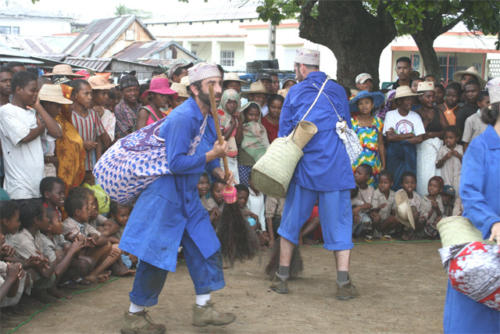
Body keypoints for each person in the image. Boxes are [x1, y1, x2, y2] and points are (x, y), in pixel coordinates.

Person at [118, 63, 236, 333]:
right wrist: (212, 157)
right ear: (194, 89)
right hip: (166, 197)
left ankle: (204, 307)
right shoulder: (183, 117)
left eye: (219, 83)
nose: (218, 89)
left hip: (188, 196)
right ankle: (134, 316)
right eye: (211, 84)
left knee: (206, 245)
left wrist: (219, 173)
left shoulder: (209, 116)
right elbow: (177, 163)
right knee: (156, 257)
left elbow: (206, 155)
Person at [271, 48, 357, 300]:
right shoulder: (338, 91)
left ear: (302, 67)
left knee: (290, 223)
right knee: (340, 226)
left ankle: (282, 278)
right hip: (335, 168)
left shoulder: (295, 92)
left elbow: (284, 132)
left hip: (304, 168)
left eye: (296, 67)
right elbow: (347, 126)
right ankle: (343, 283)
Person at [443, 77, 500, 333]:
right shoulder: (481, 147)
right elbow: (470, 193)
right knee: (474, 317)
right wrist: (493, 222)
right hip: (482, 245)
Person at [0, 71, 62, 200]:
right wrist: (40, 127)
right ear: (18, 89)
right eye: (32, 91)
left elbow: (57, 133)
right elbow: (25, 137)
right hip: (19, 187)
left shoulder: (33, 112)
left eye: (37, 91)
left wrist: (38, 107)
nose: (35, 95)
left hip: (37, 184)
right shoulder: (6, 111)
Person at [63, 187, 119, 284]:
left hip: (85, 254)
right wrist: (91, 239)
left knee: (108, 245)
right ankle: (80, 277)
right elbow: (79, 241)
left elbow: (100, 237)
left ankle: (92, 274)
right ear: (77, 212)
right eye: (88, 208)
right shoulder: (68, 224)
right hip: (76, 258)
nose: (91, 210)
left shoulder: (85, 224)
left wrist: (94, 236)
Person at [383, 86, 425, 190]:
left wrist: (398, 137)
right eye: (407, 99)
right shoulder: (391, 115)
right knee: (394, 177)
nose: (410, 102)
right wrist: (409, 135)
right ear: (399, 102)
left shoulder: (415, 116)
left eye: (411, 99)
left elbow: (419, 138)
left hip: (409, 151)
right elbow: (389, 137)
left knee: (409, 178)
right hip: (394, 152)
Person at [68, 79, 107, 175]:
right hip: (73, 167)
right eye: (86, 94)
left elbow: (98, 140)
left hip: (90, 166)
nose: (90, 97)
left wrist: (98, 164)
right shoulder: (68, 116)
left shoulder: (93, 115)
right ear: (75, 95)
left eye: (91, 94)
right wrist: (82, 145)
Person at [349, 90, 386, 185]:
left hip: (373, 163)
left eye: (367, 102)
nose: (364, 106)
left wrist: (383, 164)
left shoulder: (378, 122)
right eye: (360, 103)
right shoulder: (352, 122)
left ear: (372, 104)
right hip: (356, 163)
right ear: (357, 106)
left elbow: (380, 144)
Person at [415, 81, 445, 195]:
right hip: (423, 151)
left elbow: (446, 131)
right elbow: (419, 134)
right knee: (424, 175)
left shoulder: (438, 111)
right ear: (420, 97)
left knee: (437, 175)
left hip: (437, 150)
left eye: (433, 97)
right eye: (428, 97)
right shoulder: (416, 113)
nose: (431, 99)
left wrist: (432, 135)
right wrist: (427, 121)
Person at [38, 84, 73, 177]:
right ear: (46, 104)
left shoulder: (53, 121)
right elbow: (57, 133)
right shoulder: (37, 119)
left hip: (48, 168)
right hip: (39, 169)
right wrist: (49, 159)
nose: (59, 110)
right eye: (57, 106)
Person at [236, 102, 269, 187]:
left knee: (259, 188)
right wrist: (239, 124)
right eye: (250, 115)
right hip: (244, 164)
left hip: (258, 166)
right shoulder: (241, 128)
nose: (254, 118)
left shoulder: (262, 129)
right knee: (245, 189)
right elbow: (238, 141)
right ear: (244, 114)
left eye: (257, 115)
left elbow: (265, 146)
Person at [218, 88, 241, 184]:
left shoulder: (235, 117)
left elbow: (239, 140)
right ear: (223, 101)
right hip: (223, 157)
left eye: (234, 102)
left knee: (234, 184)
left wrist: (239, 120)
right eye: (229, 102)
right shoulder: (219, 115)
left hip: (233, 157)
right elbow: (221, 138)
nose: (232, 105)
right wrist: (232, 125)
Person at [88, 75, 117, 143]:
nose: (106, 96)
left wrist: (98, 120)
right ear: (93, 94)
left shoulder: (109, 115)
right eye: (103, 93)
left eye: (107, 93)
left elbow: (108, 142)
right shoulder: (82, 112)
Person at [370, 170, 398, 238]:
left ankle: (383, 231)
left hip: (386, 219)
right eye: (380, 182)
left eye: (385, 183)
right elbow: (373, 210)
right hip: (377, 217)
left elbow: (393, 210)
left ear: (391, 184)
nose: (382, 185)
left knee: (396, 218)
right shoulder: (376, 193)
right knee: (376, 217)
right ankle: (375, 231)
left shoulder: (393, 194)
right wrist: (379, 207)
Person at [436, 126, 463, 193]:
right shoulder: (442, 149)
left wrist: (459, 156)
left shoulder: (461, 148)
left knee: (458, 198)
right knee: (447, 197)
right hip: (446, 179)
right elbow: (437, 165)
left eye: (451, 138)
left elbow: (467, 164)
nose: (448, 140)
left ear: (457, 138)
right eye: (446, 138)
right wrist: (445, 158)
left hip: (458, 180)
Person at [351, 164, 375, 239]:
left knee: (368, 220)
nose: (355, 175)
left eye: (359, 173)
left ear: (367, 177)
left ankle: (361, 234)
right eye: (355, 172)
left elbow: (371, 205)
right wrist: (360, 207)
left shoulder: (371, 189)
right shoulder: (352, 188)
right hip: (352, 213)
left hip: (364, 213)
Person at [115, 75, 140, 139]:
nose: (133, 93)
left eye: (135, 90)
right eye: (129, 91)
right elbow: (125, 132)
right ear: (122, 92)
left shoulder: (140, 105)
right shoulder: (119, 109)